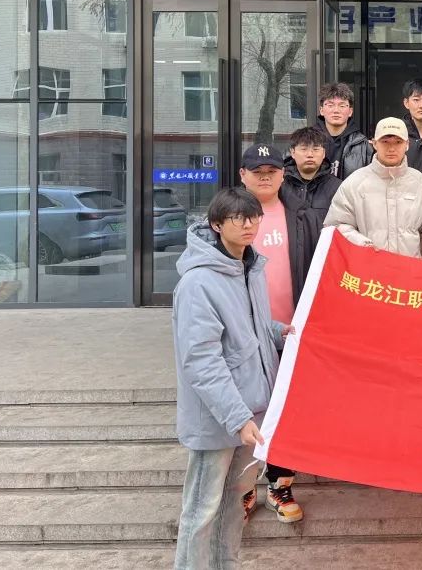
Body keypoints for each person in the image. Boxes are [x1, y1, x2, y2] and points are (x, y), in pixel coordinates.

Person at [171, 187, 289, 569]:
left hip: (251, 414)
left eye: (254, 217)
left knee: (235, 504)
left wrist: (278, 332)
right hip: (218, 418)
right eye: (238, 218)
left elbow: (249, 329)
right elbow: (201, 360)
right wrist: (237, 417)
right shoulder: (198, 284)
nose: (249, 225)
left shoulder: (250, 269)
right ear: (217, 225)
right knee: (202, 510)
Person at [237, 143, 318, 523]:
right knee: (247, 411)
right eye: (257, 171)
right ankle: (242, 487)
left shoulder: (301, 214)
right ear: (243, 176)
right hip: (243, 335)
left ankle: (279, 484)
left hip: (290, 332)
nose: (265, 177)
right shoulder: (230, 216)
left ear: (283, 174)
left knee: (285, 411)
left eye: (271, 171)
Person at [325, 117, 422, 257]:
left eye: (398, 142)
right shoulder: (354, 183)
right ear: (374, 144)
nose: (391, 148)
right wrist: (363, 245)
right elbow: (336, 225)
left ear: (407, 144)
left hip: (410, 267)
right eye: (385, 142)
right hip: (369, 267)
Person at [280, 126, 342, 227]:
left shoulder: (337, 187)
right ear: (292, 152)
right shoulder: (280, 185)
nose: (310, 154)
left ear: (323, 153)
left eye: (316, 149)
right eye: (304, 149)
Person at [315, 82, 373, 180]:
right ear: (321, 110)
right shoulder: (306, 141)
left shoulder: (362, 144)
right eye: (330, 105)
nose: (336, 110)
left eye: (342, 106)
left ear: (350, 111)